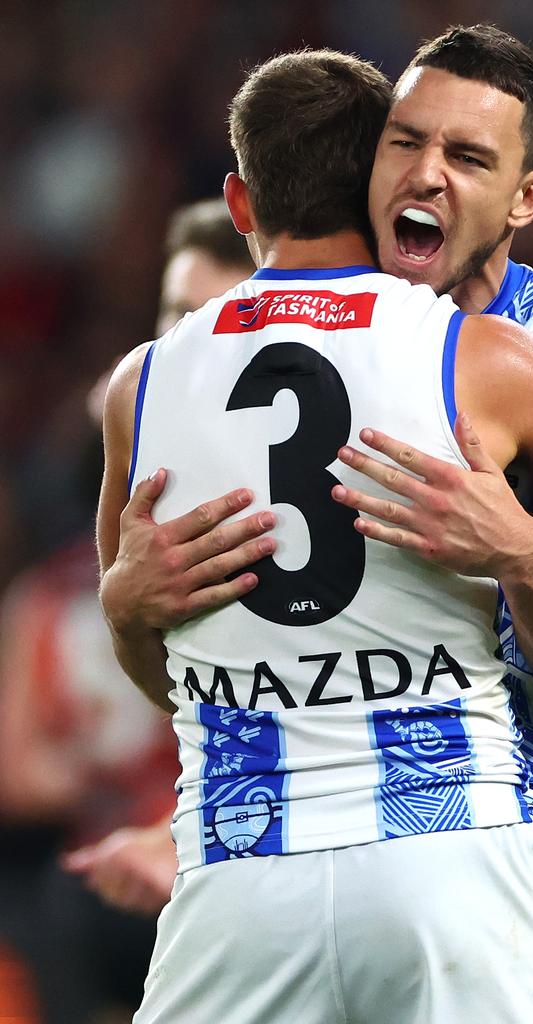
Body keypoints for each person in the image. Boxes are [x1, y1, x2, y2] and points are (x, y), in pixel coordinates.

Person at [99, 27, 533, 1024]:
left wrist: (520, 549)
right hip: (336, 845)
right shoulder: (342, 343)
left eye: (468, 157)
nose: (426, 175)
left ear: (525, 197)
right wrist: (129, 608)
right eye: (406, 142)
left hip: (524, 834)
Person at [62, 197, 254, 917]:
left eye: (216, 320)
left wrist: (181, 839)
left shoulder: (296, 513)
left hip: (252, 854)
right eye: (176, 318)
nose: (189, 348)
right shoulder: (106, 457)